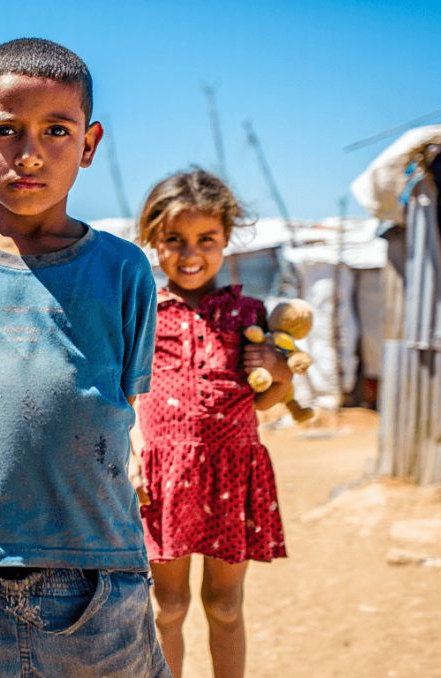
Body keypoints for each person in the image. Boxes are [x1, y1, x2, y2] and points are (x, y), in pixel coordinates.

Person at [0, 37, 170, 677]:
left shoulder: (122, 270)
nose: (30, 153)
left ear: (89, 144)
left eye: (56, 130)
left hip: (96, 570)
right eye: (5, 130)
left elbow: (117, 406)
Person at [129, 169, 291, 678]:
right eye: (174, 239)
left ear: (226, 239)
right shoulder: (142, 312)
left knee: (224, 605)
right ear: (153, 239)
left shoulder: (249, 314)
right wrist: (132, 456)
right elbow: (124, 395)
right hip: (163, 479)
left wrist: (280, 370)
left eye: (206, 239)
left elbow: (267, 401)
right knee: (167, 607)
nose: (190, 253)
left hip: (232, 472)